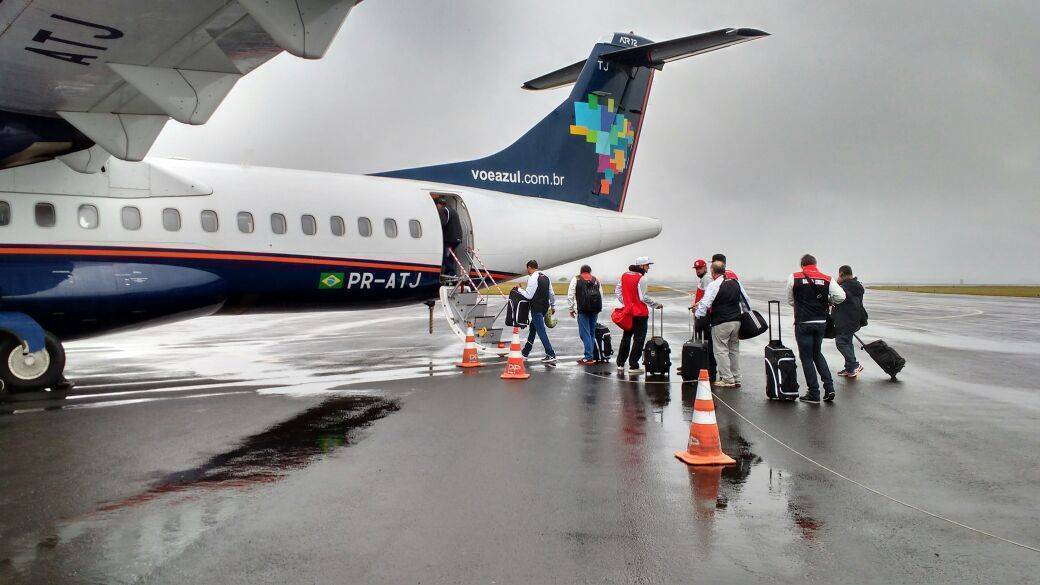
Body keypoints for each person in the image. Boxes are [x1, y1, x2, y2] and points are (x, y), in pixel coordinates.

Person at [786, 254, 846, 403]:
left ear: (802, 265)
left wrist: (802, 305)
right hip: (821, 322)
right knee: (817, 353)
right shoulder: (827, 278)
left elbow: (790, 300)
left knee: (806, 357)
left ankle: (814, 392)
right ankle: (829, 387)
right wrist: (829, 300)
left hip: (803, 322)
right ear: (815, 264)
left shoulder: (794, 277)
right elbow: (841, 296)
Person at [695, 261, 752, 388]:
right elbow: (746, 301)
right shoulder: (736, 283)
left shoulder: (715, 284)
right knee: (734, 350)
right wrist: (746, 314)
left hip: (721, 321)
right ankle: (736, 378)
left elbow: (706, 303)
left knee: (721, 350)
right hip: (736, 321)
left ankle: (727, 378)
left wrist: (699, 315)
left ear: (713, 272)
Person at [615, 256, 661, 374]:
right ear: (641, 266)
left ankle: (620, 363)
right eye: (647, 265)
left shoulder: (624, 275)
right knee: (638, 340)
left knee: (626, 338)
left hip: (628, 312)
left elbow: (618, 291)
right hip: (640, 313)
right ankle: (633, 365)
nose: (648, 268)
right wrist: (655, 305)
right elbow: (643, 297)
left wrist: (627, 303)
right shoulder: (642, 278)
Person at [517, 259, 557, 364]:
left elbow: (529, 295)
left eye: (527, 269)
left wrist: (519, 289)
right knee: (533, 329)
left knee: (540, 331)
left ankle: (551, 354)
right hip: (544, 308)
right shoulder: (546, 277)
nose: (527, 271)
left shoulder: (532, 278)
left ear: (529, 267)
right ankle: (525, 352)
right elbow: (551, 294)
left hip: (536, 308)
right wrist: (553, 306)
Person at [833, 265, 866, 377]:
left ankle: (854, 365)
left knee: (840, 342)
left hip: (846, 319)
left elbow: (835, 298)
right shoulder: (857, 285)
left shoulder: (844, 288)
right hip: (856, 319)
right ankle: (849, 368)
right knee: (847, 342)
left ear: (841, 274)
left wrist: (837, 284)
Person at [567, 264, 604, 365]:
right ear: (590, 271)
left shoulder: (576, 279)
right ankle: (590, 355)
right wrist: (599, 307)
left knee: (584, 333)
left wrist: (571, 308)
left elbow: (570, 295)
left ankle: (588, 357)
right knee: (591, 332)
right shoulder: (596, 279)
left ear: (581, 271)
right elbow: (601, 294)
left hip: (583, 309)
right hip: (595, 309)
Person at [436, 198, 463, 278]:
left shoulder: (443, 210)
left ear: (438, 204)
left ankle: (452, 272)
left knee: (443, 256)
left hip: (449, 238)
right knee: (450, 255)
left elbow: (443, 223)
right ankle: (448, 273)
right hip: (458, 238)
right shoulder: (453, 210)